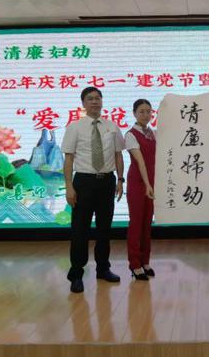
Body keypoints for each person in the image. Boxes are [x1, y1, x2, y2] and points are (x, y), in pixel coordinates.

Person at [62, 87, 125, 293]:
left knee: (104, 229)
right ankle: (76, 274)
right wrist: (69, 187)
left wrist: (120, 180)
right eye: (90, 99)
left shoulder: (112, 126)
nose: (95, 102)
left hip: (107, 181)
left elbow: (118, 155)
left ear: (102, 101)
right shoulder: (75, 127)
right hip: (84, 182)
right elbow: (68, 158)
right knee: (80, 229)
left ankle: (103, 269)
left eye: (98, 98)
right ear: (83, 103)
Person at [125, 99, 156, 281]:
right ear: (134, 113)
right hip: (138, 182)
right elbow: (140, 161)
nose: (146, 115)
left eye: (148, 111)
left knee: (147, 223)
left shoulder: (152, 133)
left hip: (151, 182)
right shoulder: (131, 135)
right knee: (136, 223)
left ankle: (145, 261)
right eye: (141, 111)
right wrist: (147, 184)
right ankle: (135, 264)